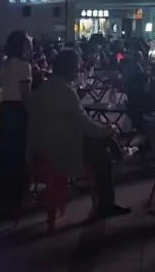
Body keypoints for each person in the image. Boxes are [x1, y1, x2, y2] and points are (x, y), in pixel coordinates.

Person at [28, 50, 130, 218]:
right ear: (70, 68)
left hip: (40, 149)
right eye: (77, 65)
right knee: (102, 150)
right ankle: (107, 201)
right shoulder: (65, 91)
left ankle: (119, 153)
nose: (80, 68)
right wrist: (106, 129)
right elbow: (84, 124)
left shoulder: (44, 88)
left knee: (102, 140)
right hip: (59, 151)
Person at [0, 30, 33, 212]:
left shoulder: (5, 65)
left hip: (5, 109)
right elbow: (25, 96)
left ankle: (4, 193)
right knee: (19, 154)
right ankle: (19, 195)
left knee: (5, 153)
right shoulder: (24, 66)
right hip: (18, 111)